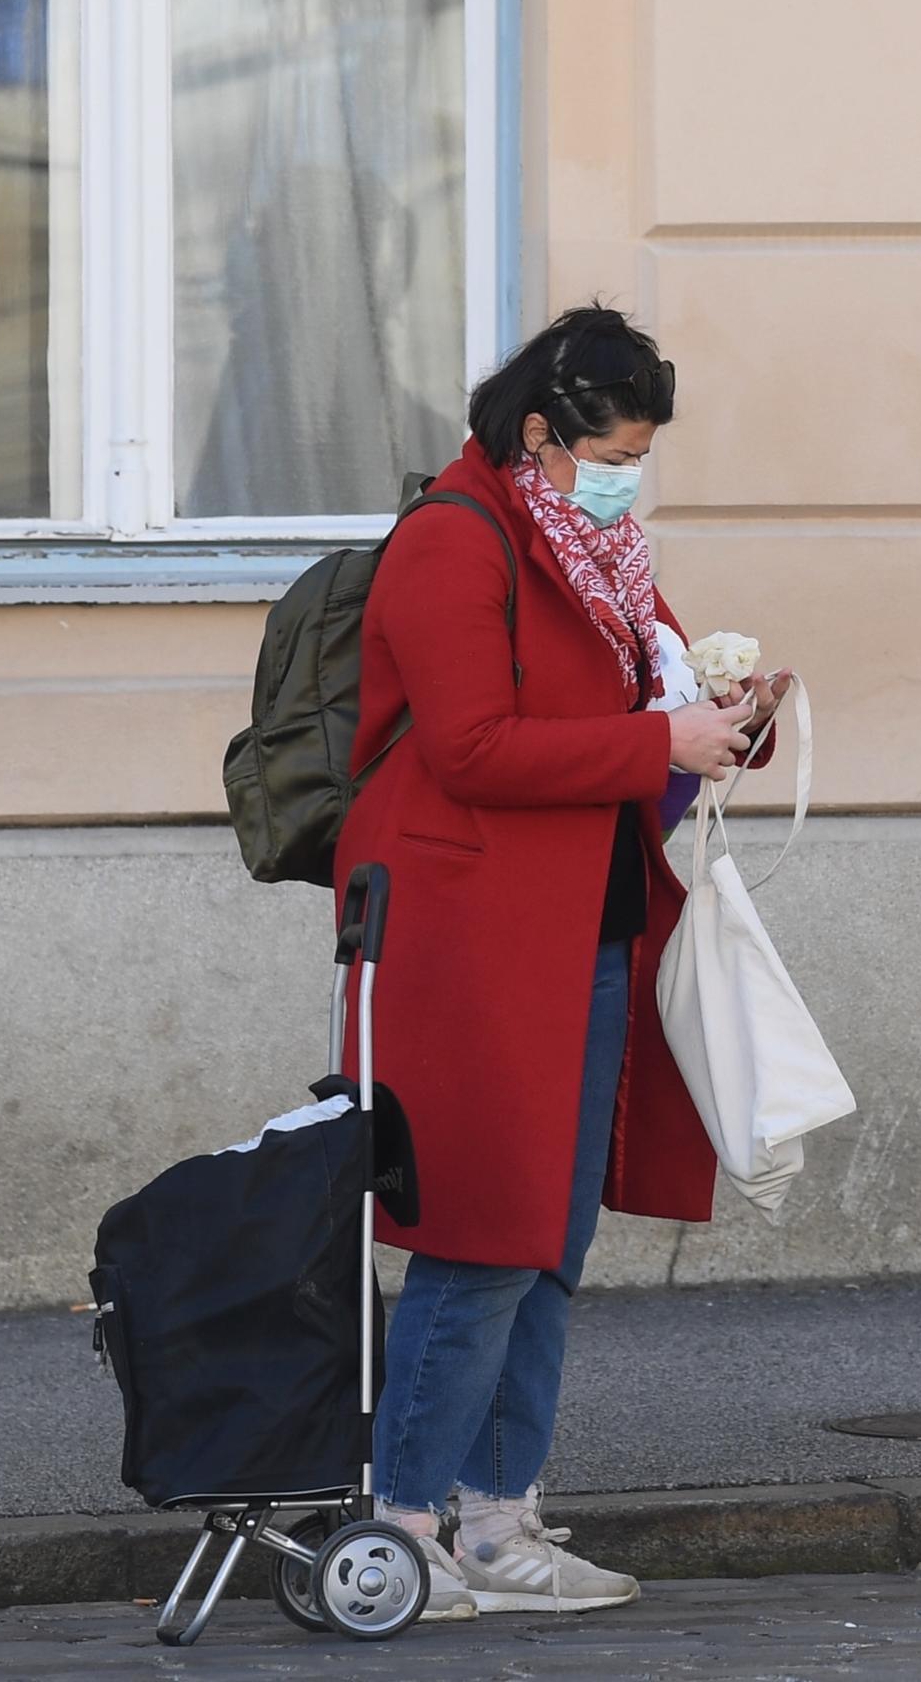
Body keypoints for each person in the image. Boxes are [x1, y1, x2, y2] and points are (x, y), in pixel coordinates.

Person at [330, 305, 773, 1619]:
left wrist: (723, 721)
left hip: (581, 929)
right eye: (615, 451)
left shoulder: (598, 549)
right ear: (541, 434)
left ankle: (500, 1520)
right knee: (479, 1236)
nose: (630, 476)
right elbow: (470, 747)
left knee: (549, 1242)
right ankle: (405, 1525)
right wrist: (660, 746)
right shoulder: (452, 541)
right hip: (470, 943)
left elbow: (650, 693)